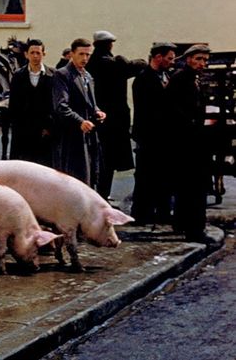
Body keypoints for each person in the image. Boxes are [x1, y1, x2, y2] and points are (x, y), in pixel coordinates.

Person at [87, 30, 146, 200]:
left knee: (98, 159)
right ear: (110, 44)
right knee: (109, 161)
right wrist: (122, 59)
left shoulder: (92, 63)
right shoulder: (112, 63)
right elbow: (139, 65)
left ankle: (97, 194)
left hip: (96, 116)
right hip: (113, 120)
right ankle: (103, 195)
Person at [166, 43, 212, 243]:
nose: (203, 63)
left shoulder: (193, 79)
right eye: (199, 59)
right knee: (192, 188)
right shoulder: (180, 80)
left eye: (205, 60)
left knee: (189, 187)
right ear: (188, 59)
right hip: (186, 142)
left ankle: (184, 224)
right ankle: (194, 230)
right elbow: (174, 111)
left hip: (193, 140)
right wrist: (192, 128)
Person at [130, 41, 177, 225]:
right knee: (145, 176)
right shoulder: (143, 79)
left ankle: (163, 212)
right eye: (169, 58)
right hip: (149, 136)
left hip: (164, 136)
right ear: (158, 57)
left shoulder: (165, 75)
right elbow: (148, 110)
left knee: (164, 176)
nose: (172, 62)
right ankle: (142, 213)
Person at [51, 38, 106, 187]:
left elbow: (90, 103)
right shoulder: (63, 75)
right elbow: (61, 106)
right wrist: (79, 121)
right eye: (81, 54)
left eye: (88, 55)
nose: (85, 58)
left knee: (92, 176)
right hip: (71, 136)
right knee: (75, 180)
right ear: (72, 54)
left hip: (89, 135)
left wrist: (97, 111)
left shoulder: (87, 76)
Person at [8, 39, 55, 166]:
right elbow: (13, 105)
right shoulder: (18, 75)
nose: (35, 56)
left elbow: (56, 104)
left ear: (43, 54)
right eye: (32, 52)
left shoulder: (53, 75)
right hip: (23, 133)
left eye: (38, 53)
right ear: (26, 54)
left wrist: (49, 127)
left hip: (45, 133)